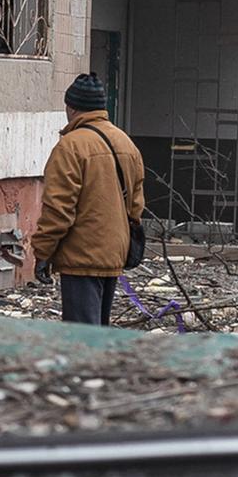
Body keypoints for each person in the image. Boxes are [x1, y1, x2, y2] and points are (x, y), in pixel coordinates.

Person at [31, 74, 146, 326]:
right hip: (114, 253)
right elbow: (136, 206)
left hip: (81, 256)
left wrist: (43, 251)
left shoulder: (70, 147)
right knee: (99, 332)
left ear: (71, 108)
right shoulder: (126, 143)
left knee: (82, 335)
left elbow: (58, 209)